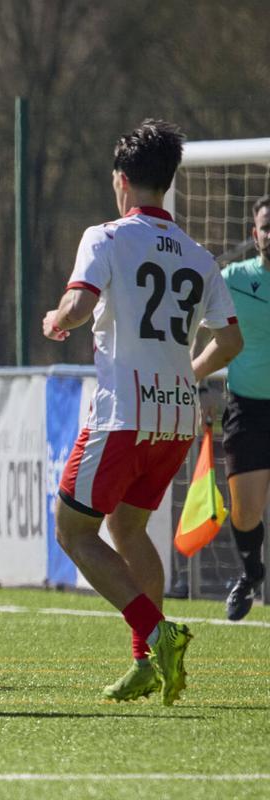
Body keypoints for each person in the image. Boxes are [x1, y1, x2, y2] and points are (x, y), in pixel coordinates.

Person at [42, 120, 243, 706]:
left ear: (121, 181)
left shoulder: (104, 238)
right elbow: (230, 341)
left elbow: (78, 307)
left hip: (122, 415)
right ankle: (147, 662)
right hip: (177, 416)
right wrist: (189, 375)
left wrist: (58, 319)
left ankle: (159, 635)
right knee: (127, 528)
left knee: (72, 531)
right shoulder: (200, 256)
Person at [216, 195, 270, 620]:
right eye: (266, 227)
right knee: (245, 511)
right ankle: (251, 574)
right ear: (254, 234)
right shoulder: (233, 278)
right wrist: (191, 381)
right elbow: (207, 334)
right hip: (247, 410)